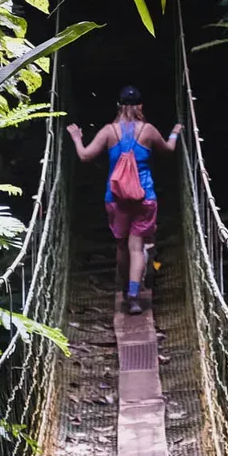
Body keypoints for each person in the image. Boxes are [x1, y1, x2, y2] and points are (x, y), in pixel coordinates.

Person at [67, 86, 184, 315]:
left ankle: (123, 286)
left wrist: (76, 137)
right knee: (137, 247)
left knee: (122, 246)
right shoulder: (148, 131)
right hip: (145, 197)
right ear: (140, 106)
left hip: (116, 198)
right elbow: (169, 150)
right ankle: (133, 295)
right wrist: (175, 132)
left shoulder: (109, 131)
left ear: (119, 106)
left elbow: (84, 156)